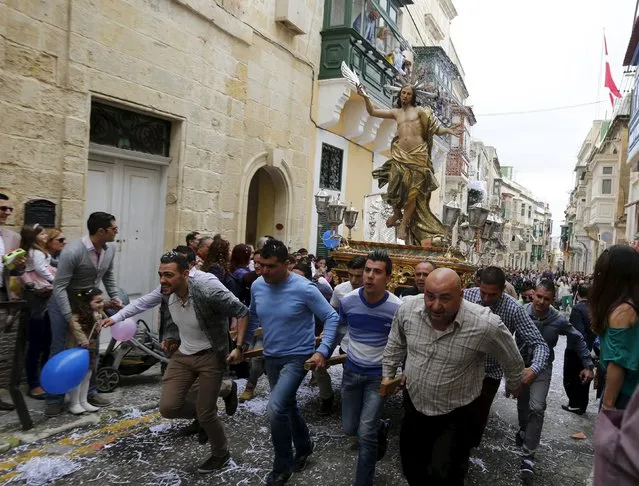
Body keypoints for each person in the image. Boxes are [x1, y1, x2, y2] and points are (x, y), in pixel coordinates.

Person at [383, 268, 525, 486]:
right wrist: (388, 375)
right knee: (412, 468)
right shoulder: (408, 310)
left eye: (445, 298)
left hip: (457, 412)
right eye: (430, 296)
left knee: (446, 474)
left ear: (461, 295)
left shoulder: (485, 324)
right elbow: (396, 342)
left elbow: (512, 356)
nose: (436, 306)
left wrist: (515, 383)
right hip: (415, 404)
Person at [248, 239, 339, 486]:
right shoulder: (258, 285)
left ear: (286, 264)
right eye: (261, 265)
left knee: (276, 408)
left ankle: (282, 465)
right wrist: (243, 345)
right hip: (272, 355)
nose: (264, 271)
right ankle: (304, 445)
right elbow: (252, 314)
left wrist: (322, 350)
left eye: (271, 266)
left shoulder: (304, 288)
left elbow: (331, 317)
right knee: (287, 405)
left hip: (298, 356)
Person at [156, 251, 249, 473]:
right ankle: (226, 390)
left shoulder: (207, 292)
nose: (162, 280)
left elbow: (242, 311)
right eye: (160, 274)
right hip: (183, 355)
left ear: (185, 274)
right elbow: (171, 317)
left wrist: (238, 347)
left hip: (210, 356)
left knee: (206, 413)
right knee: (169, 407)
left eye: (168, 275)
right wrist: (170, 337)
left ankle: (221, 454)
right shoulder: (167, 293)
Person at [358, 84, 460, 243]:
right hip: (400, 155)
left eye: (408, 94)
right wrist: (365, 96)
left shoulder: (419, 111)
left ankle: (404, 223)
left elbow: (435, 128)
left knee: (413, 191)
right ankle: (397, 212)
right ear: (399, 94)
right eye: (403, 93)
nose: (405, 96)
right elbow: (372, 112)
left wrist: (448, 131)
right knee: (393, 187)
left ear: (413, 97)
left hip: (418, 155)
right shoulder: (395, 112)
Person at [46, 212, 123, 417]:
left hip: (89, 304)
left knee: (91, 348)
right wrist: (68, 316)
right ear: (101, 231)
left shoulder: (110, 249)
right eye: (113, 228)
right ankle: (54, 398)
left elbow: (108, 274)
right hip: (64, 302)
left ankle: (89, 392)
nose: (117, 231)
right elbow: (59, 286)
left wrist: (114, 297)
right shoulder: (72, 251)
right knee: (60, 348)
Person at [463, 266, 550, 448]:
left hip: (489, 374)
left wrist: (533, 370)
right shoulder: (465, 297)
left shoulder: (513, 309)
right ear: (479, 285)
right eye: (483, 293)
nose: (486, 299)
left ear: (503, 290)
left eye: (492, 295)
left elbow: (540, 345)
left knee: (477, 420)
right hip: (462, 368)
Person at [518, 280, 594, 480]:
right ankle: (524, 428)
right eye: (538, 296)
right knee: (524, 404)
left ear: (552, 300)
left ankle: (528, 456)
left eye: (546, 299)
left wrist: (588, 364)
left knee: (537, 407)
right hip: (521, 364)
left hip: (542, 368)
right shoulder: (521, 312)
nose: (541, 302)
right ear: (533, 294)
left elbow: (577, 338)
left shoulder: (558, 319)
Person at [340, 251, 401, 486]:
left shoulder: (397, 308)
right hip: (352, 372)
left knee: (365, 435)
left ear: (388, 277)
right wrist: (323, 352)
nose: (369, 276)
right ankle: (381, 426)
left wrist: (394, 373)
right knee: (349, 428)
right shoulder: (348, 301)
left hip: (378, 376)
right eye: (367, 270)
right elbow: (340, 329)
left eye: (377, 271)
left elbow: (400, 343)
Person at [314, 256, 366, 415]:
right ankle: (326, 396)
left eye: (358, 276)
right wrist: (325, 335)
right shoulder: (340, 290)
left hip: (359, 339)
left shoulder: (374, 291)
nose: (354, 280)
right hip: (339, 331)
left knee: (352, 375)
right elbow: (332, 314)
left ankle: (354, 404)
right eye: (351, 275)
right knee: (316, 361)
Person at [590, 245, 639, 410]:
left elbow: (617, 364)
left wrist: (608, 405)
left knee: (614, 436)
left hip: (624, 397)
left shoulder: (623, 310)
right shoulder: (632, 303)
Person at [20, 224, 56, 399]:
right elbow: (42, 270)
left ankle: (43, 379)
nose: (45, 235)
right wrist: (54, 280)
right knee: (36, 343)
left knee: (46, 342)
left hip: (45, 300)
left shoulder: (37, 252)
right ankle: (34, 383)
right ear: (33, 236)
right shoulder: (36, 253)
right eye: (41, 233)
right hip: (38, 300)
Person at [67, 288, 108, 414]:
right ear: (87, 302)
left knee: (88, 374)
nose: (101, 304)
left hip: (90, 348)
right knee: (77, 375)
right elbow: (74, 326)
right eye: (97, 301)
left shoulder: (97, 312)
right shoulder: (79, 314)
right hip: (78, 348)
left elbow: (103, 317)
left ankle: (83, 400)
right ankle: (74, 403)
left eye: (102, 301)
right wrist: (83, 340)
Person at [562, 283, 595, 414]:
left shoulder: (577, 309)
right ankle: (582, 404)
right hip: (589, 349)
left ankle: (574, 404)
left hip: (575, 350)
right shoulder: (593, 308)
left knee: (571, 377)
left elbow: (576, 333)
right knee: (584, 377)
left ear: (578, 294)